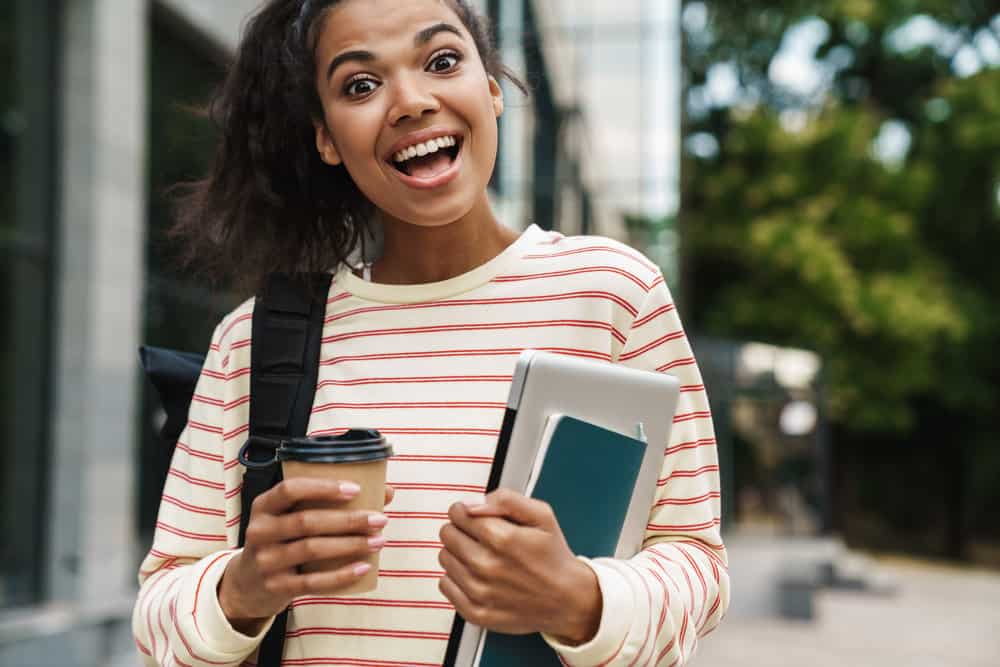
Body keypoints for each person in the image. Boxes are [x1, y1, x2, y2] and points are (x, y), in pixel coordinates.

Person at [133, 0, 730, 665]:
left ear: (493, 88)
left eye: (442, 61)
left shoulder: (614, 295)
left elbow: (696, 562)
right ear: (327, 137)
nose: (412, 101)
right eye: (360, 85)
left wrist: (581, 599)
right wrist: (243, 587)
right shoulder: (254, 341)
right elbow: (159, 612)